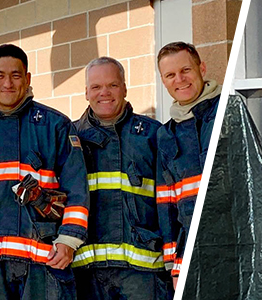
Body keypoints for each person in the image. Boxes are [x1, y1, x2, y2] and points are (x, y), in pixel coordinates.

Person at [0, 44, 89, 299]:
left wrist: (69, 240)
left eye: (16, 75)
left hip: (43, 264)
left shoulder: (54, 125)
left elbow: (77, 188)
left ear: (28, 79)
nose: (8, 83)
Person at [69, 56, 169, 299]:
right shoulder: (69, 139)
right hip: (86, 273)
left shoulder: (153, 134)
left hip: (143, 273)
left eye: (112, 85)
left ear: (124, 88)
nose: (104, 93)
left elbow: (169, 202)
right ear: (86, 92)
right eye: (96, 87)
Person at [154, 42, 223, 287]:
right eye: (170, 75)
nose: (179, 80)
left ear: (201, 68)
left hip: (230, 244)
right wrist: (174, 266)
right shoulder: (166, 134)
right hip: (190, 254)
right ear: (163, 81)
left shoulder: (227, 111)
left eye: (185, 70)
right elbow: (168, 205)